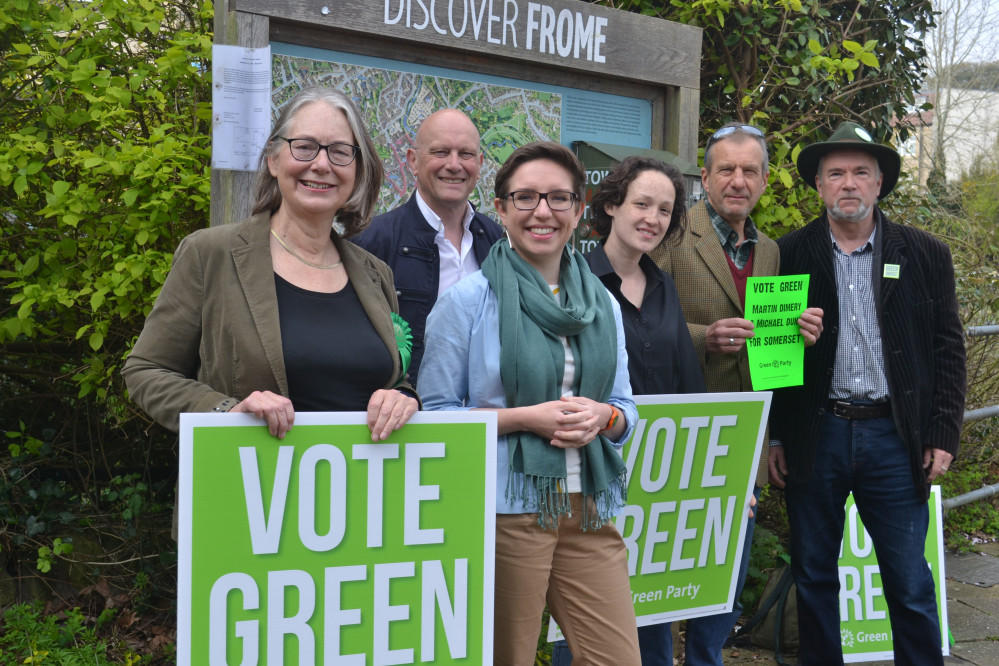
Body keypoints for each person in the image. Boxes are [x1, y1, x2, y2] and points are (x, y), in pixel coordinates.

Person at [419, 142, 642, 665]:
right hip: (503, 514)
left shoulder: (600, 302)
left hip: (586, 505)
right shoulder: (467, 301)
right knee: (505, 658)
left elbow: (625, 408)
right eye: (525, 197)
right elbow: (436, 419)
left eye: (559, 198)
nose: (543, 211)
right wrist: (526, 419)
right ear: (500, 209)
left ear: (579, 208)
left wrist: (603, 416)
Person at [769, 121, 966, 665]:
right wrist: (776, 435)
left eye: (861, 172)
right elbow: (773, 359)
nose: (848, 183)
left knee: (908, 580)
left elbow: (949, 348)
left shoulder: (925, 253)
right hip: (817, 433)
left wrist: (944, 432)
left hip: (894, 437)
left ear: (880, 183)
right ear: (818, 186)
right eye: (836, 173)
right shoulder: (786, 255)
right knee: (813, 576)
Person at [123, 86, 418, 449]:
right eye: (305, 147)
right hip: (246, 495)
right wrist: (225, 414)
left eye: (340, 152)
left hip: (358, 498)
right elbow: (146, 372)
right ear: (274, 159)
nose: (321, 164)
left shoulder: (376, 274)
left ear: (357, 171)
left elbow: (392, 379)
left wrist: (403, 398)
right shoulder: (210, 253)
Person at [648, 123, 822, 664]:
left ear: (766, 181)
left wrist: (799, 333)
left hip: (744, 437)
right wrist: (707, 336)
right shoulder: (671, 236)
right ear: (705, 176)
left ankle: (707, 657)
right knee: (659, 565)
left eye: (750, 171)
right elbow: (643, 323)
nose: (738, 180)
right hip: (680, 427)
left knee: (728, 562)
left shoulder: (769, 251)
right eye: (726, 168)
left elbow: (767, 352)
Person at [550, 156, 707, 666]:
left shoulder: (663, 287)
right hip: (590, 476)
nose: (652, 218)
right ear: (612, 205)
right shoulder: (571, 281)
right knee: (582, 629)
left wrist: (720, 480)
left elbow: (689, 385)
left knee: (654, 624)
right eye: (641, 203)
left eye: (664, 210)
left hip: (660, 478)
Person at [354, 108, 503, 386]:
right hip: (407, 415)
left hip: (485, 416)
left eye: (466, 154)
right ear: (413, 161)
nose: (454, 164)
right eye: (441, 152)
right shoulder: (372, 243)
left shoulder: (498, 242)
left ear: (480, 164)